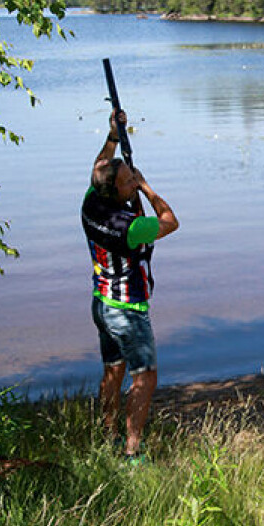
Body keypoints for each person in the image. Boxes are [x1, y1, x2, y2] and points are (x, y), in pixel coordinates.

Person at [81, 109, 178, 462]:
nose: (131, 181)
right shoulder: (131, 227)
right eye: (127, 181)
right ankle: (132, 453)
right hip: (128, 310)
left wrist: (113, 135)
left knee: (113, 369)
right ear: (119, 191)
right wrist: (147, 187)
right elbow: (171, 221)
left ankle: (107, 433)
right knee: (144, 378)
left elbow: (100, 166)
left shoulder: (91, 204)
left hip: (102, 304)